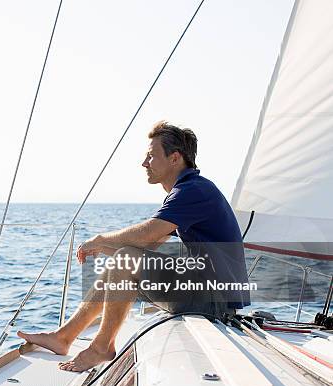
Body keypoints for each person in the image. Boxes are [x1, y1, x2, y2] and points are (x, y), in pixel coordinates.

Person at [18, 121, 250, 372]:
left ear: (174, 158)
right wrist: (108, 249)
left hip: (216, 302)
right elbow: (152, 244)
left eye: (151, 156)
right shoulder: (191, 189)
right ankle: (63, 337)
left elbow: (147, 235)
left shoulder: (192, 191)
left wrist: (100, 240)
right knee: (122, 260)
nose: (144, 163)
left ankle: (101, 347)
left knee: (125, 258)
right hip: (210, 293)